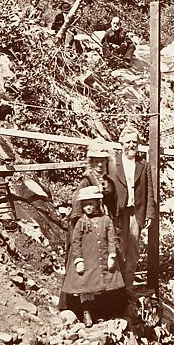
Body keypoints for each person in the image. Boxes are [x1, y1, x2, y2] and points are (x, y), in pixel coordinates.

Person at [59, 185, 124, 324]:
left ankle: (96, 313)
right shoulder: (81, 222)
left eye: (91, 204)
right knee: (85, 287)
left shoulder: (106, 220)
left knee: (98, 287)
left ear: (97, 203)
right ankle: (86, 313)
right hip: (87, 260)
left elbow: (112, 239)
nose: (88, 207)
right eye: (85, 204)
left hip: (100, 259)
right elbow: (75, 242)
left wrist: (112, 255)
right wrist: (78, 260)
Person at [106, 125, 153, 292]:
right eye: (128, 142)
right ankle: (114, 288)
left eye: (135, 142)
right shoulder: (113, 163)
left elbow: (149, 191)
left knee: (132, 251)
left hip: (136, 213)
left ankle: (127, 287)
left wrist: (149, 214)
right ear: (121, 143)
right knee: (117, 248)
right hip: (118, 213)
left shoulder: (143, 165)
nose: (131, 145)